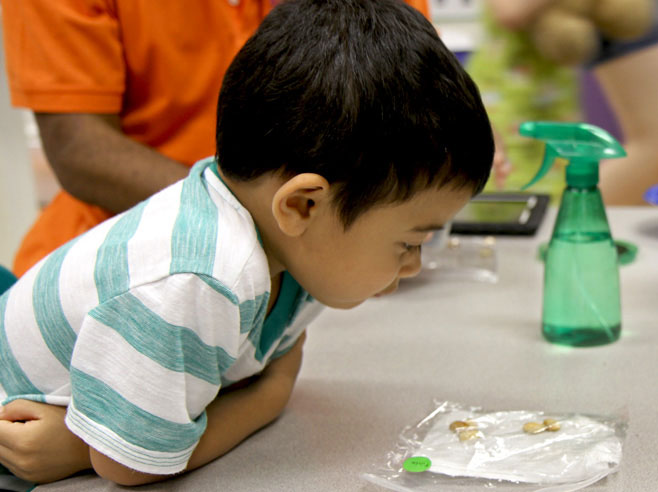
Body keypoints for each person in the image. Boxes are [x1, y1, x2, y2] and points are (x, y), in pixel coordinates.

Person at [0, 0, 495, 486]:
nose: (412, 267)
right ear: (302, 204)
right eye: (408, 243)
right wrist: (271, 394)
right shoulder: (198, 280)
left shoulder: (295, 249)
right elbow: (132, 466)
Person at [1, 0, 429, 278]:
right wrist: (273, 228)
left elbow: (413, 106)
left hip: (322, 255)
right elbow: (80, 149)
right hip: (118, 267)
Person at [477, 0, 658, 205]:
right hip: (514, 97)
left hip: (549, 94)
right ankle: (572, 220)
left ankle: (572, 220)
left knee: (552, 175)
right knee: (518, 183)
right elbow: (510, 9)